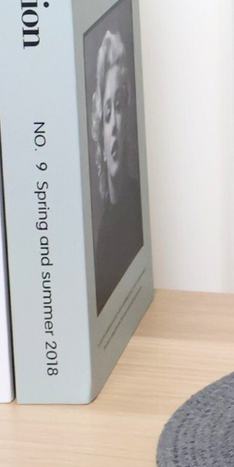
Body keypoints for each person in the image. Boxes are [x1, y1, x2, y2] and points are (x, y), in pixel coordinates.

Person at [89, 27, 143, 312]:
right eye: (107, 113)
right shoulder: (103, 233)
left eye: (119, 108)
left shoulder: (136, 207)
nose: (112, 127)